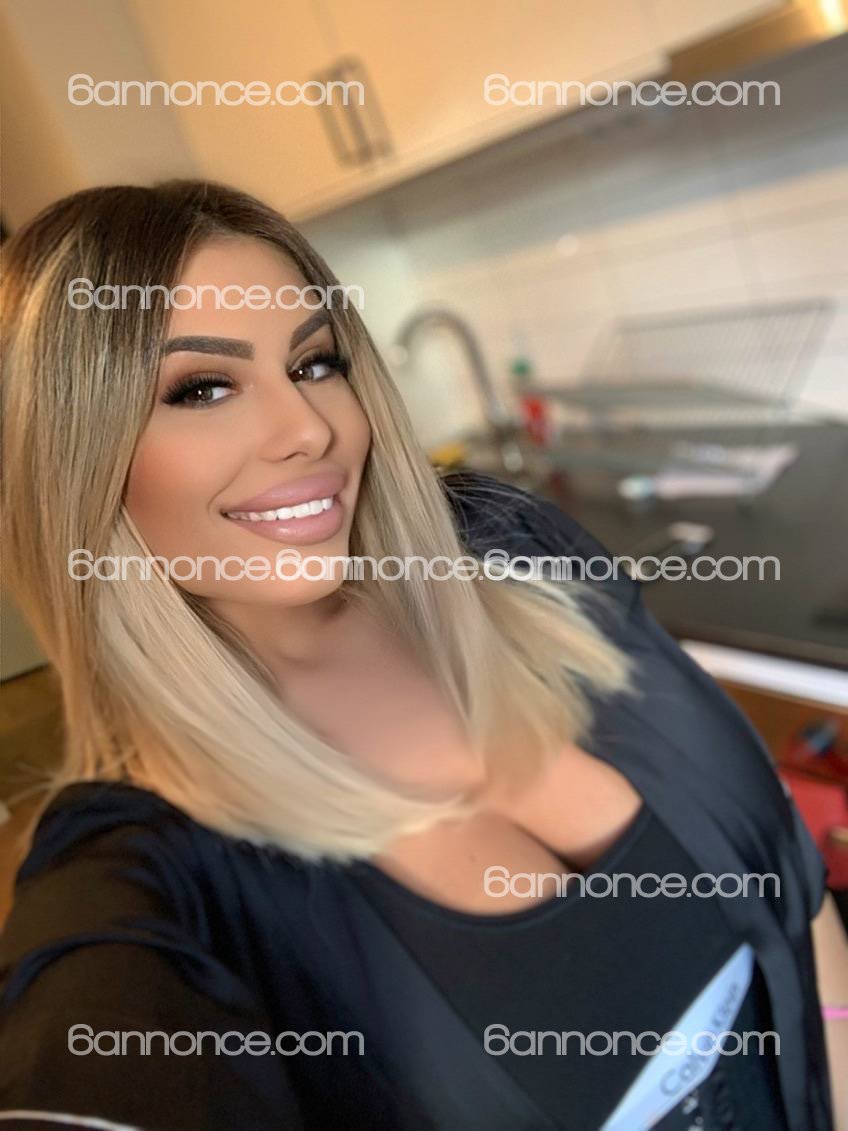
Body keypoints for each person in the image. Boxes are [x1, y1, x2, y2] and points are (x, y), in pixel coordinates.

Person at [0, 180, 837, 1130]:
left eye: (314, 363)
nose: (310, 428)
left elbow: (795, 897)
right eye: (203, 387)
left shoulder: (512, 547)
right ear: (76, 460)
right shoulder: (147, 870)